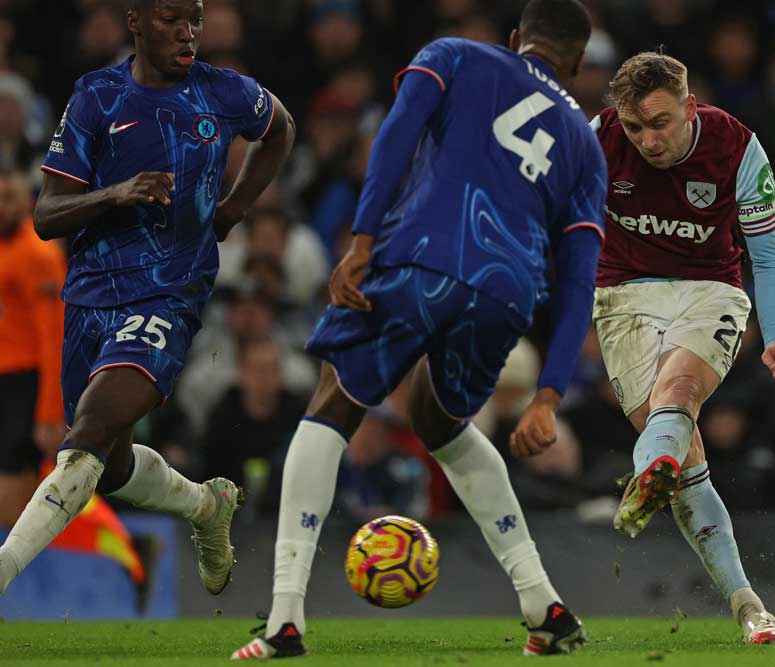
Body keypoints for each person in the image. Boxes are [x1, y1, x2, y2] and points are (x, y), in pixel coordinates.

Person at [230, 0, 606, 659]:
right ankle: (542, 601)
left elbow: (399, 132)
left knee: (334, 398)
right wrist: (548, 391)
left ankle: (285, 616)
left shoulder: (454, 53)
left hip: (421, 257)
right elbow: (580, 277)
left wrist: (364, 236)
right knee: (439, 422)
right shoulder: (586, 147)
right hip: (508, 293)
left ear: (517, 38)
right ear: (576, 63)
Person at [0, 0, 295, 599]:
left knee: (89, 429)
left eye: (195, 20)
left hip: (169, 293)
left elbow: (280, 128)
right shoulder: (96, 97)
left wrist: (236, 208)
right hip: (89, 297)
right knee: (108, 468)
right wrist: (117, 194)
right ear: (134, 20)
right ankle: (205, 504)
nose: (187, 34)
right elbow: (47, 215)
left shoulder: (224, 93)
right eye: (170, 20)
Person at [589, 52, 775, 644]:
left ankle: (646, 470)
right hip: (622, 299)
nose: (647, 140)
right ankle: (750, 608)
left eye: (658, 122)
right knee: (684, 460)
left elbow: (768, 257)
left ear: (689, 106)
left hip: (711, 292)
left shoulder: (737, 147)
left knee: (679, 392)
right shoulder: (598, 141)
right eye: (635, 126)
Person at [0, 169, 67, 528]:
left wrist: (49, 414)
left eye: (7, 198)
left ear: (28, 202)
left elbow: (53, 337)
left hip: (23, 385)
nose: (0, 208)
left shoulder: (38, 255)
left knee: (12, 488)